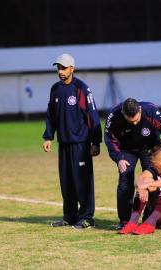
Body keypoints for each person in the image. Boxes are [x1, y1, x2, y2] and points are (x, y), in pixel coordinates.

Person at [104, 98, 161, 230]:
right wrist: (119, 158)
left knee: (153, 180)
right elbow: (110, 140)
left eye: (136, 119)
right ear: (123, 114)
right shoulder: (114, 116)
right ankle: (125, 220)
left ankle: (151, 216)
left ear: (140, 110)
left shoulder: (151, 111)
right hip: (126, 150)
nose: (134, 124)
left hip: (150, 148)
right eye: (131, 121)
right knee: (125, 180)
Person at [43, 53, 102, 229]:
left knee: (82, 182)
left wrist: (95, 142)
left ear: (72, 69)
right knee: (66, 182)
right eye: (58, 68)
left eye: (63, 68)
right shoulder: (55, 89)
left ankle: (86, 218)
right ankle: (69, 216)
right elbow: (50, 115)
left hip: (81, 144)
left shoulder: (81, 89)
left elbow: (92, 116)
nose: (60, 71)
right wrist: (48, 136)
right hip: (64, 144)